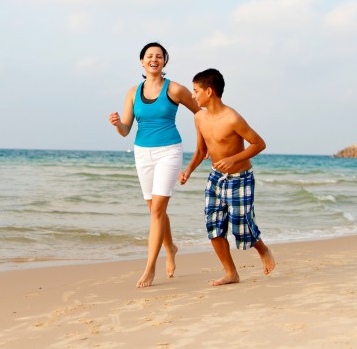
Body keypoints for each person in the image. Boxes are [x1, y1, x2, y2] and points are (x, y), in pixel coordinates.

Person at [108, 42, 201, 288]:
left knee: (158, 210)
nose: (154, 59)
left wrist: (209, 140)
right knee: (154, 211)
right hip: (142, 153)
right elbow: (126, 131)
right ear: (142, 62)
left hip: (169, 151)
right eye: (149, 56)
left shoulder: (176, 89)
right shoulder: (132, 92)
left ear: (164, 62)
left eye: (159, 56)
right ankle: (170, 248)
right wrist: (117, 123)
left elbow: (200, 113)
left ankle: (149, 268)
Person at [178, 68, 276, 286]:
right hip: (215, 178)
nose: (193, 95)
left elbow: (259, 143)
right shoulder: (199, 117)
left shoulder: (232, 118)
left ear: (209, 91)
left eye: (195, 91)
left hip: (240, 178)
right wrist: (188, 171)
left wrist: (233, 159)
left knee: (241, 224)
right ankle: (231, 273)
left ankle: (263, 249)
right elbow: (201, 150)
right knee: (213, 226)